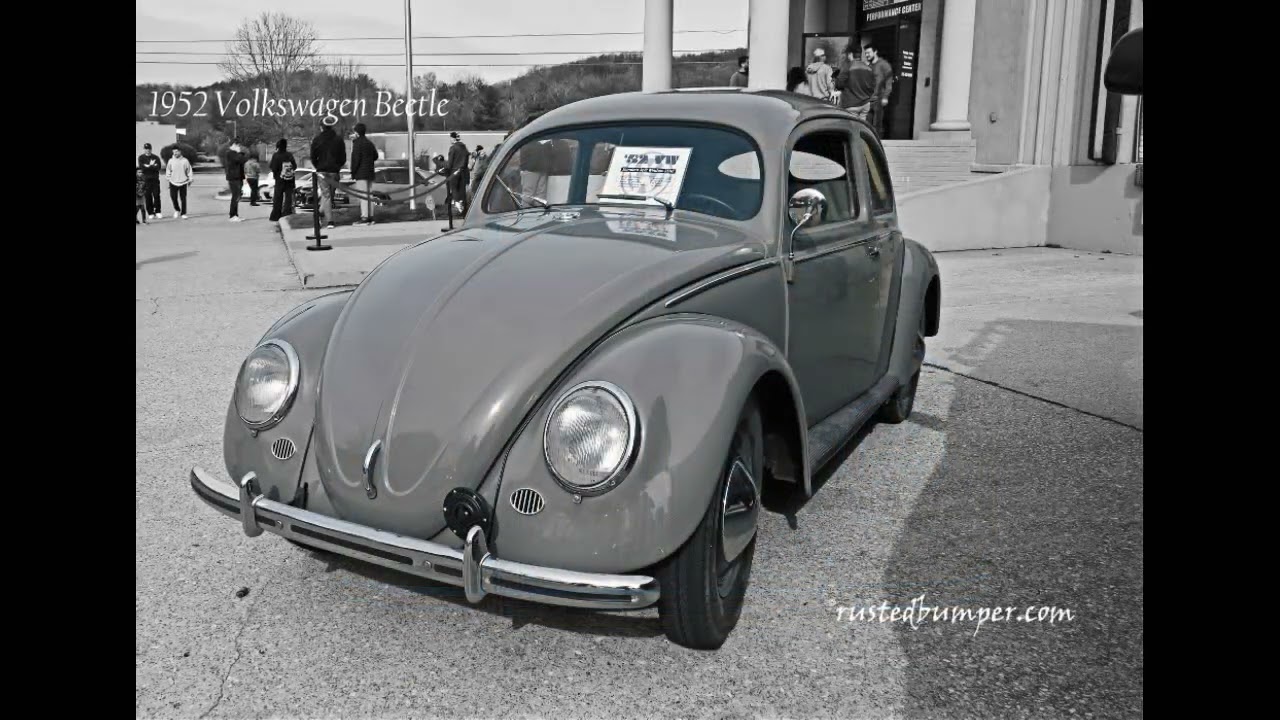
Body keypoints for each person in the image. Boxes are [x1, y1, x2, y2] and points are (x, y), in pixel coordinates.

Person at [310, 116, 347, 229]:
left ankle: (321, 214)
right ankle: (329, 220)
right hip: (334, 170)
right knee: (329, 195)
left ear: (321, 127)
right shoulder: (339, 139)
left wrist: (318, 166)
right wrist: (337, 166)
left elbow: (312, 156)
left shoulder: (316, 140)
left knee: (326, 196)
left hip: (322, 170)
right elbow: (343, 157)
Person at [836, 44, 877, 123]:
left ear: (850, 54)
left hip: (851, 104)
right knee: (861, 127)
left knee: (850, 128)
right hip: (865, 104)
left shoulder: (847, 66)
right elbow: (873, 87)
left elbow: (838, 85)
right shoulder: (868, 68)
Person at [350, 122, 379, 225]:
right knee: (370, 195)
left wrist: (353, 172)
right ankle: (371, 216)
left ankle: (364, 217)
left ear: (357, 132)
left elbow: (355, 160)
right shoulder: (369, 143)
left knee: (363, 195)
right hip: (370, 172)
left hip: (361, 173)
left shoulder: (357, 143)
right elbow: (376, 156)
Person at [865, 41, 895, 136]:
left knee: (877, 125)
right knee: (867, 124)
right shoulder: (868, 66)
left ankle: (878, 145)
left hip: (879, 98)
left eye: (868, 53)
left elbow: (889, 81)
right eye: (865, 53)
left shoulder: (884, 65)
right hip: (868, 99)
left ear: (875, 52)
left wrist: (886, 96)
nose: (867, 55)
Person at [268, 138, 297, 222]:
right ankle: (287, 213)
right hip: (290, 180)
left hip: (279, 179)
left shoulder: (276, 155)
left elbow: (273, 167)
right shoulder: (289, 155)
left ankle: (275, 215)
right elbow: (295, 166)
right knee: (288, 198)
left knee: (278, 198)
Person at [446, 131, 470, 215]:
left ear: (453, 138)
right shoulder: (464, 148)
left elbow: (450, 162)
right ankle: (463, 207)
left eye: (451, 138)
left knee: (454, 188)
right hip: (463, 171)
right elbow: (467, 159)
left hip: (454, 171)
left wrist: (447, 169)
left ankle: (458, 205)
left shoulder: (453, 148)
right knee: (462, 190)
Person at [165, 147, 192, 218]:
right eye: (173, 152)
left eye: (176, 151)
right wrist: (168, 178)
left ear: (180, 152)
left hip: (183, 182)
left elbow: (189, 170)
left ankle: (183, 213)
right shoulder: (170, 161)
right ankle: (177, 209)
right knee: (173, 197)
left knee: (183, 198)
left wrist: (190, 179)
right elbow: (168, 170)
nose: (175, 153)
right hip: (173, 182)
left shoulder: (185, 161)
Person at [138, 143, 163, 219]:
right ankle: (150, 212)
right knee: (148, 196)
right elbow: (142, 168)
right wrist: (151, 166)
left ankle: (158, 211)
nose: (147, 150)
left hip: (155, 180)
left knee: (156, 195)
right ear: (144, 149)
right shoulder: (141, 158)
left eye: (149, 149)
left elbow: (158, 167)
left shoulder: (155, 157)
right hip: (146, 180)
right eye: (146, 149)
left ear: (151, 149)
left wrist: (148, 166)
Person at [224, 141, 246, 222]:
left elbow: (243, 160)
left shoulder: (235, 153)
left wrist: (240, 153)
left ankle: (236, 215)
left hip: (238, 177)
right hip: (234, 177)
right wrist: (239, 152)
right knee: (235, 196)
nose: (238, 147)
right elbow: (239, 160)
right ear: (233, 145)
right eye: (237, 145)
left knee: (237, 196)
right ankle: (232, 215)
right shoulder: (230, 153)